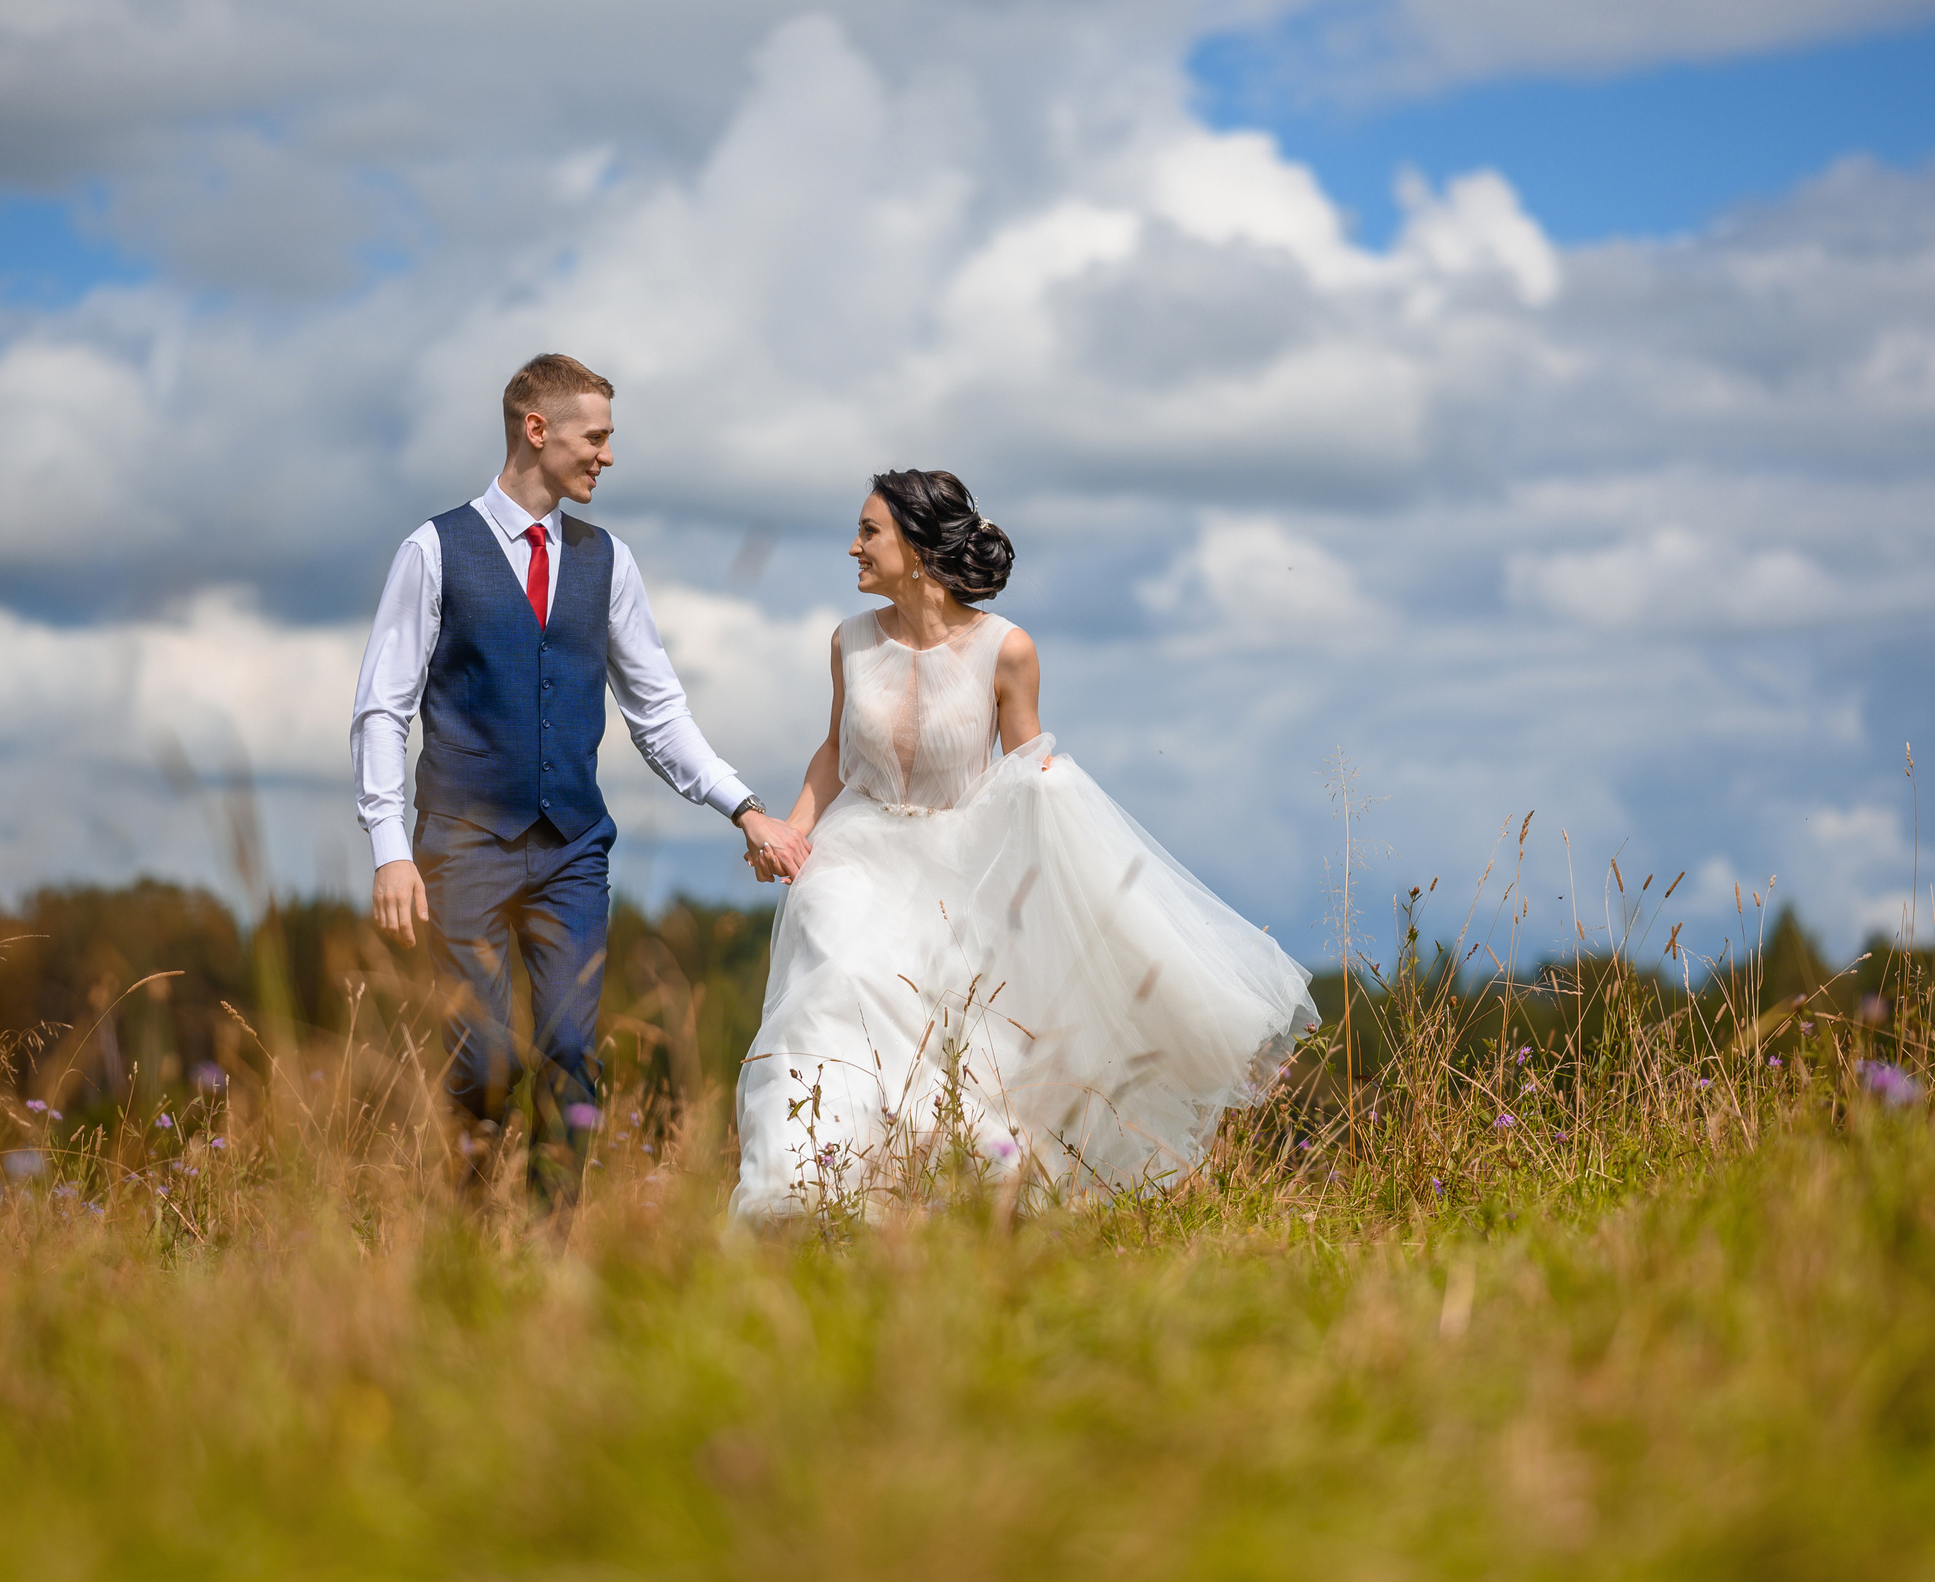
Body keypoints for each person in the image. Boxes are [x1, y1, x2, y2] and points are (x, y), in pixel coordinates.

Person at [730, 470, 1315, 1219]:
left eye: (869, 531)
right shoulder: (849, 640)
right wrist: (791, 829)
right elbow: (833, 751)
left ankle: (921, 1204)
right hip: (856, 856)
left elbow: (1023, 770)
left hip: (960, 866)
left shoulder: (1007, 650)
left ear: (917, 548)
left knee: (954, 1044)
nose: (854, 547)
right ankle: (798, 1192)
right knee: (833, 983)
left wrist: (1059, 838)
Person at [351, 354, 810, 1177]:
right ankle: (473, 1231)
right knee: (484, 1062)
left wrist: (745, 808)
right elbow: (383, 708)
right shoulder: (433, 549)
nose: (607, 455)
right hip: (461, 849)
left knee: (570, 1056)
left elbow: (658, 713)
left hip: (572, 852)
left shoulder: (609, 561)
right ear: (537, 430)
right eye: (595, 437)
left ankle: (549, 1238)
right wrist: (390, 847)